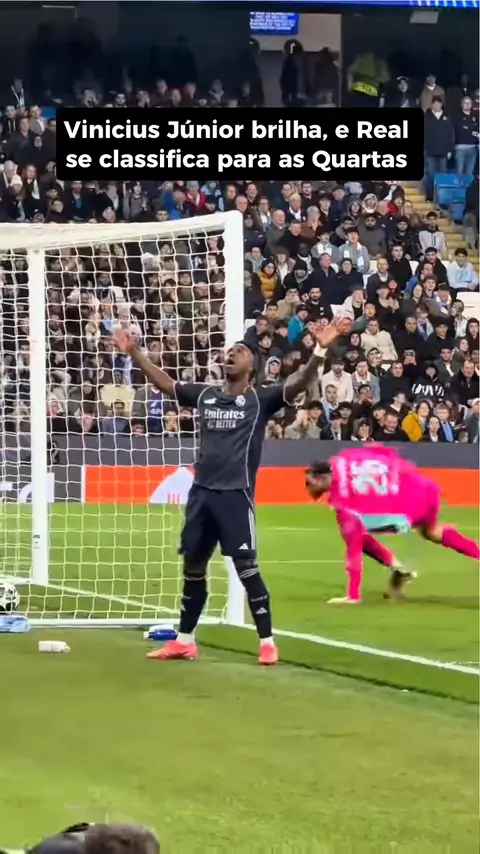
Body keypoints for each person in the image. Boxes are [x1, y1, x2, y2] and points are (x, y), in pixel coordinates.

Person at [113, 318, 349, 664]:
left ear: (251, 366)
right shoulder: (205, 395)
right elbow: (165, 383)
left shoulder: (261, 399)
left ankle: (267, 642)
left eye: (239, 351)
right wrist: (134, 352)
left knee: (246, 569)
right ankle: (184, 641)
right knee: (193, 567)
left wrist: (320, 350)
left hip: (235, 495)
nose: (230, 354)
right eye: (228, 351)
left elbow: (299, 382)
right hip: (201, 495)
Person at [304, 445, 480, 604]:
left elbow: (353, 548)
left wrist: (353, 594)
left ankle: (371, 584)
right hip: (420, 490)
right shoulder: (345, 465)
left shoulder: (342, 495)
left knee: (355, 535)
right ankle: (399, 568)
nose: (308, 489)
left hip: (405, 502)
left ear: (321, 477)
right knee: (432, 532)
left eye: (309, 483)